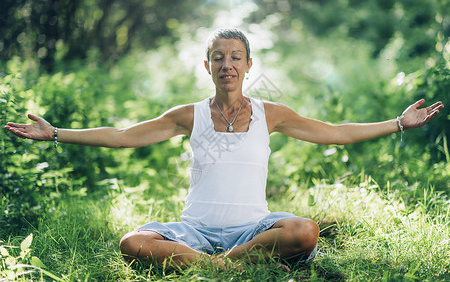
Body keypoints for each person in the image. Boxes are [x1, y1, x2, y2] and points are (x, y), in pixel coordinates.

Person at [4, 28, 444, 270]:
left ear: (249, 66)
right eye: (218, 56)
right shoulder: (187, 114)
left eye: (236, 57)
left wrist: (397, 124)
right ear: (207, 65)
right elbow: (122, 135)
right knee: (132, 242)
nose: (227, 64)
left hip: (251, 229)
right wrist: (56, 132)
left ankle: (222, 265)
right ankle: (219, 266)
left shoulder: (271, 114)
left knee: (304, 231)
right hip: (194, 231)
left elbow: (336, 131)